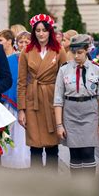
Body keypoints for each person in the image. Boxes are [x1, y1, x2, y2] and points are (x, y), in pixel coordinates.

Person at [17, 14, 67, 169]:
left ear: (50, 32)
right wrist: (21, 109)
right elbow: (21, 82)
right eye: (37, 30)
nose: (41, 33)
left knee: (53, 146)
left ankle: (52, 182)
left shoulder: (59, 50)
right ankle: (36, 183)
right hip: (34, 101)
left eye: (44, 30)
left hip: (53, 99)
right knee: (35, 145)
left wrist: (64, 106)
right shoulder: (27, 51)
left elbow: (65, 80)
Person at [54, 35, 99, 175]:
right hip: (70, 113)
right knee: (75, 154)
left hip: (90, 112)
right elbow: (58, 99)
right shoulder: (64, 69)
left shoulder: (96, 69)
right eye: (74, 52)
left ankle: (89, 188)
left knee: (89, 152)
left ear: (87, 50)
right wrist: (59, 125)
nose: (76, 56)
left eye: (80, 53)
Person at [0, 29, 30, 169]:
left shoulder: (35, 59)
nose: (23, 44)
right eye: (21, 42)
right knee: (13, 134)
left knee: (26, 136)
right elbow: (5, 78)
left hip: (30, 102)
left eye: (27, 42)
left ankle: (27, 160)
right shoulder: (10, 59)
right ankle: (11, 162)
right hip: (11, 103)